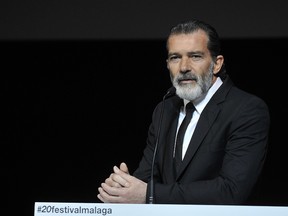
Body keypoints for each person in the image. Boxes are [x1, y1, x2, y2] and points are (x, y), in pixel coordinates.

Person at [97, 19, 270, 204]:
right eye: (175, 57)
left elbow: (232, 190)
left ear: (217, 64)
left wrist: (148, 194)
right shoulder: (164, 109)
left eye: (195, 56)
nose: (184, 67)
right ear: (167, 64)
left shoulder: (246, 109)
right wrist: (124, 187)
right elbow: (147, 180)